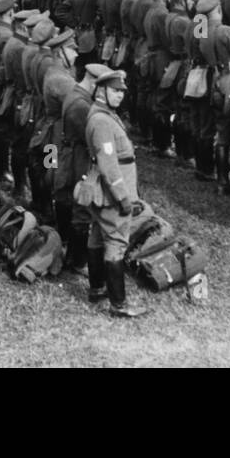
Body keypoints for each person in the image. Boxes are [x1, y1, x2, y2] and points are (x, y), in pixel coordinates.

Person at [83, 68, 146, 317]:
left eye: (122, 92)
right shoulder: (101, 120)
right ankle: (118, 303)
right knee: (116, 243)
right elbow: (109, 164)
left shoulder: (104, 114)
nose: (120, 96)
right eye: (115, 91)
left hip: (102, 185)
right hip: (110, 191)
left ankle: (97, 288)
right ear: (100, 90)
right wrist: (123, 197)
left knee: (98, 236)